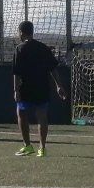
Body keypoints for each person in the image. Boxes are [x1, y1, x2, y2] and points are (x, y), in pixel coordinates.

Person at [11, 20, 64, 156]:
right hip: (42, 86)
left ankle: (27, 146)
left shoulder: (20, 48)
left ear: (21, 33)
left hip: (26, 87)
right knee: (42, 116)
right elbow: (53, 69)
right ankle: (42, 148)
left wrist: (16, 90)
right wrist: (59, 85)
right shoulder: (43, 48)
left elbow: (16, 72)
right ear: (32, 32)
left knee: (21, 114)